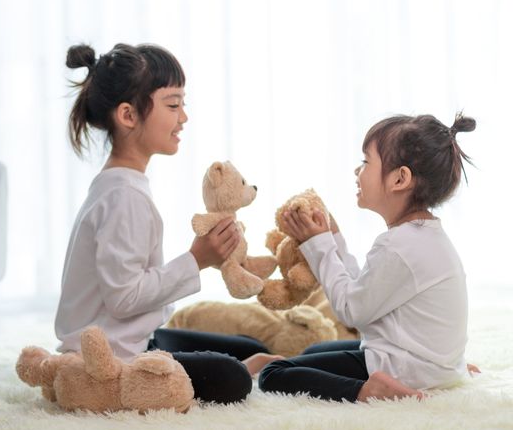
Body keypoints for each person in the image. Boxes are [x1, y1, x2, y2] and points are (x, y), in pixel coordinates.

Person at [54, 42, 281, 405]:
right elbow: (123, 298)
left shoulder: (122, 185)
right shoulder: (123, 197)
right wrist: (197, 259)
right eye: (173, 105)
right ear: (128, 115)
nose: (183, 117)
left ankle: (231, 360)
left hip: (133, 339)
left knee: (247, 346)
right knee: (233, 376)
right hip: (108, 359)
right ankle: (230, 368)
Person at [258, 113, 476, 402]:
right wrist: (334, 238)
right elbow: (365, 292)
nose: (356, 170)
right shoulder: (423, 237)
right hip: (430, 366)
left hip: (405, 369)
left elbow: (351, 310)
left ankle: (369, 391)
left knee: (273, 374)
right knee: (313, 352)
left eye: (365, 161)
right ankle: (441, 371)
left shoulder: (398, 245)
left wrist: (318, 246)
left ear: (400, 179)